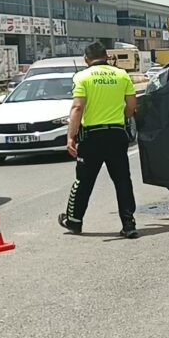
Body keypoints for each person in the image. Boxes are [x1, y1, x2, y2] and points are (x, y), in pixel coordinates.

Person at [58, 42, 139, 238]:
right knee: (122, 181)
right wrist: (122, 118)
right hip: (116, 134)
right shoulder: (122, 75)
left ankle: (74, 222)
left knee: (84, 181)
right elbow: (131, 106)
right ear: (107, 56)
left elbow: (78, 108)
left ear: (86, 59)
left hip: (92, 137)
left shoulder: (82, 77)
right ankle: (128, 224)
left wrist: (71, 135)